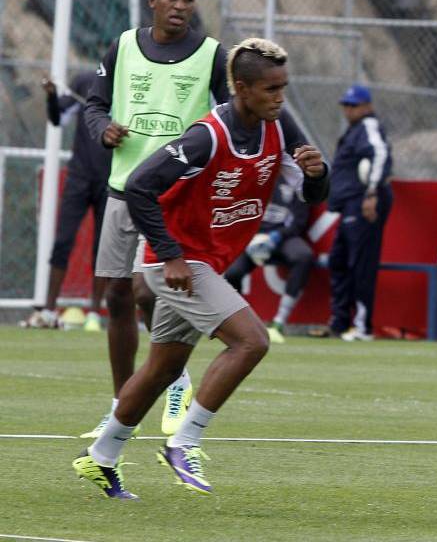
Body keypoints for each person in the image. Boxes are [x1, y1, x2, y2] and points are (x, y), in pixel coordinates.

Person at [71, 37, 329, 499]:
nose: (280, 98)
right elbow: (138, 187)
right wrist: (169, 255)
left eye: (283, 88)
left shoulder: (277, 125)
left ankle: (102, 457)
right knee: (252, 341)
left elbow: (312, 195)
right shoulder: (207, 134)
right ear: (241, 87)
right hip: (177, 263)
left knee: (161, 368)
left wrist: (316, 175)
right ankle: (184, 443)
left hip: (205, 262)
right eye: (271, 89)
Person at [81, 0, 231, 439]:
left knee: (151, 289)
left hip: (176, 193)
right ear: (153, 0)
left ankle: (171, 376)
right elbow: (93, 104)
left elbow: (230, 115)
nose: (181, 6)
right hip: (125, 187)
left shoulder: (210, 56)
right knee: (117, 297)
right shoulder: (124, 45)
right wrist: (103, 129)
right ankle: (120, 402)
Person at [21, 71, 109, 332]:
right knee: (62, 241)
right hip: (79, 176)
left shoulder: (132, 87)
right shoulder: (84, 82)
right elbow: (58, 117)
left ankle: (94, 312)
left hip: (112, 179)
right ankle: (48, 310)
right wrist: (50, 97)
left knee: (102, 250)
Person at [325, 84, 393, 341]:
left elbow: (379, 154)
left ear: (367, 106)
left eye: (353, 105)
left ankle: (362, 326)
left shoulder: (368, 126)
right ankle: (340, 322)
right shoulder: (354, 130)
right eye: (346, 105)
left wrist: (372, 193)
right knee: (339, 261)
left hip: (364, 201)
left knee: (362, 264)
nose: (348, 110)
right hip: (351, 204)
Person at [224, 181, 317, 344]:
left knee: (303, 256)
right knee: (232, 272)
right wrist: (249, 235)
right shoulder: (254, 174)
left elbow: (298, 220)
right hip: (252, 237)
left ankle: (279, 322)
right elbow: (237, 210)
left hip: (283, 237)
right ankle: (238, 326)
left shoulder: (296, 178)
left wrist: (276, 238)